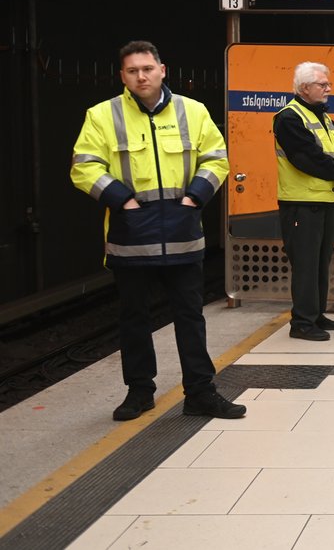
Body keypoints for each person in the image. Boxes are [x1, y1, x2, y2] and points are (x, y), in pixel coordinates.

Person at [69, 40, 246, 422]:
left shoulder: (193, 111)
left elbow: (217, 158)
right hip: (131, 236)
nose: (141, 76)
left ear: (162, 70)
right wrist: (123, 201)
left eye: (147, 68)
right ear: (122, 76)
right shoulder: (103, 115)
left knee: (190, 318)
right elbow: (83, 166)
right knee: (134, 319)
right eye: (132, 71)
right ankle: (139, 392)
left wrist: (195, 198)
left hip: (182, 231)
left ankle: (200, 392)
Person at [273, 62, 334, 342]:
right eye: (322, 85)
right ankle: (302, 322)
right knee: (306, 263)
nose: (328, 89)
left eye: (328, 84)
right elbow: (305, 157)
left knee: (321, 262)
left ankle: (316, 314)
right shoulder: (288, 118)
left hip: (326, 200)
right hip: (301, 204)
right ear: (304, 88)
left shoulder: (324, 118)